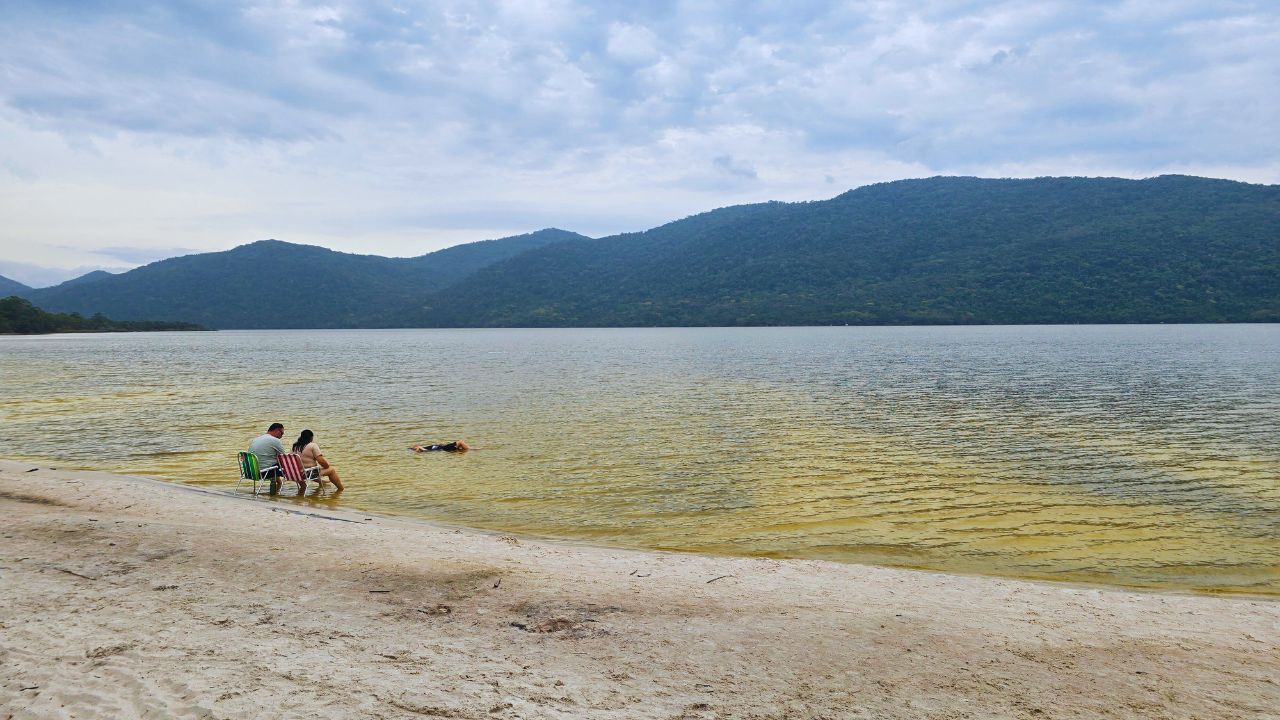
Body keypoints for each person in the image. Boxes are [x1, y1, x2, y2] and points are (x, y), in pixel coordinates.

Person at [246, 422, 286, 494]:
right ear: (277, 430)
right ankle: (302, 488)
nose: (281, 436)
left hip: (251, 472)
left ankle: (279, 485)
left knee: (272, 462)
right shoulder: (275, 440)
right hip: (264, 473)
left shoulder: (256, 439)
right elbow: (284, 457)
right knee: (287, 465)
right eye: (282, 433)